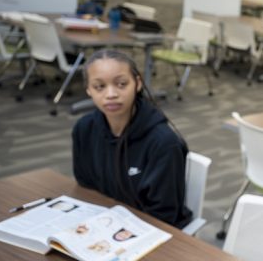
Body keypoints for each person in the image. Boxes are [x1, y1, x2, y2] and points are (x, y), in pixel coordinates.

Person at [72, 50, 192, 229]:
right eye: (99, 86)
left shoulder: (163, 143)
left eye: (121, 84)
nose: (111, 94)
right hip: (104, 221)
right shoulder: (84, 129)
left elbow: (164, 215)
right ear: (88, 90)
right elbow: (85, 187)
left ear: (137, 83)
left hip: (151, 230)